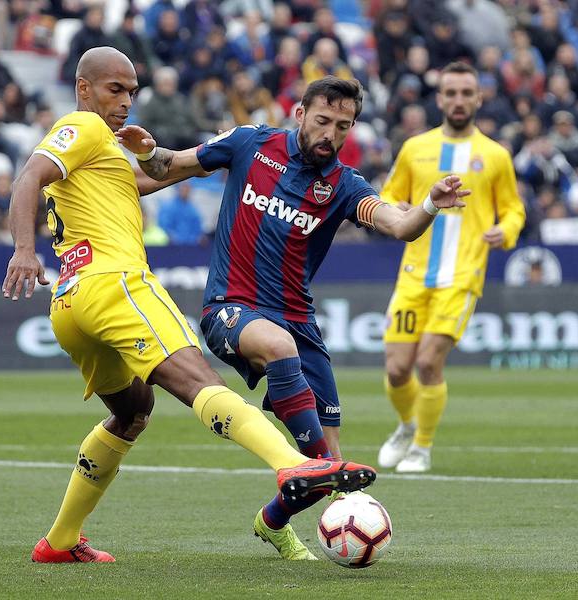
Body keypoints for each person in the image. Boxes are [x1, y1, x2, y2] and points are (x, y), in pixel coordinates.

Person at [2, 47, 378, 564]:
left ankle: (60, 542)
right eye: (116, 90)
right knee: (201, 381)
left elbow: (151, 179)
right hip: (115, 282)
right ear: (83, 88)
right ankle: (292, 464)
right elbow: (28, 177)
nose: (126, 102)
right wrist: (24, 249)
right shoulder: (83, 128)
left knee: (132, 412)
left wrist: (176, 156)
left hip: (70, 303)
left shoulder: (101, 154)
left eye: (132, 91)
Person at [116, 76, 469, 559]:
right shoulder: (250, 143)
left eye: (343, 126)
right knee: (324, 458)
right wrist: (148, 149)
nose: (331, 133)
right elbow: (168, 166)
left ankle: (272, 521)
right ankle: (320, 467)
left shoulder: (345, 185)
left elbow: (401, 225)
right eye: (323, 121)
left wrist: (429, 203)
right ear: (299, 114)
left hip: (299, 322)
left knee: (330, 469)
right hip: (230, 308)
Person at [375, 61, 526, 473]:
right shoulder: (414, 148)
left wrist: (505, 230)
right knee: (396, 368)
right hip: (413, 274)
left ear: (479, 98)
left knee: (428, 362)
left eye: (466, 93)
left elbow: (513, 209)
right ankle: (407, 424)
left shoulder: (495, 155)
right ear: (439, 99)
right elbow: (389, 194)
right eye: (451, 93)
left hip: (462, 275)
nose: (459, 100)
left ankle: (422, 446)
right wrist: (398, 205)